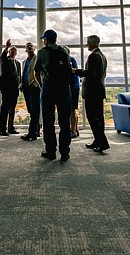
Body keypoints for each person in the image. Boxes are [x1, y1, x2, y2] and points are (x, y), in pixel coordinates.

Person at [34, 29, 72, 161]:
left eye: (44, 39)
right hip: (64, 89)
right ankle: (65, 152)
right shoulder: (64, 51)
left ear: (46, 40)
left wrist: (42, 86)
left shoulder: (42, 52)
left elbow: (36, 73)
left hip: (49, 89)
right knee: (65, 121)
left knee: (48, 121)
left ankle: (51, 151)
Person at [75, 35, 109, 152]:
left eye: (88, 42)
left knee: (92, 117)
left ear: (93, 43)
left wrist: (76, 71)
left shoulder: (94, 56)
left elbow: (89, 73)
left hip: (92, 92)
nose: (87, 45)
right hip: (99, 91)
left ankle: (102, 142)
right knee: (99, 117)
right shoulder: (102, 56)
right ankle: (98, 140)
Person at [0, 39, 21, 136]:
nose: (13, 51)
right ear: (9, 52)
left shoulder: (18, 63)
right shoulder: (5, 60)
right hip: (6, 88)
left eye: (15, 50)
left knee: (12, 109)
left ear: (16, 53)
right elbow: (2, 56)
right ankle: (2, 129)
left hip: (15, 89)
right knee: (5, 109)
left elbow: (19, 75)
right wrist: (6, 47)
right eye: (12, 50)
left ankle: (11, 127)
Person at [20, 42, 41, 141]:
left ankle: (32, 133)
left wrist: (36, 84)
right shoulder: (24, 61)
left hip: (34, 87)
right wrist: (21, 85)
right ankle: (36, 131)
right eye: (27, 46)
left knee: (35, 110)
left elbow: (38, 72)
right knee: (31, 110)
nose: (29, 47)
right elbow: (23, 74)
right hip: (25, 88)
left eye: (31, 46)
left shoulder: (37, 59)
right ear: (25, 50)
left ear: (34, 49)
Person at [62, 45, 80, 138]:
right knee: (72, 109)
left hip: (72, 88)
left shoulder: (70, 60)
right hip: (73, 87)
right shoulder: (71, 60)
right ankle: (75, 128)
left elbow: (73, 72)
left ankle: (73, 130)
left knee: (72, 109)